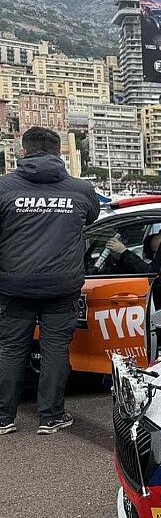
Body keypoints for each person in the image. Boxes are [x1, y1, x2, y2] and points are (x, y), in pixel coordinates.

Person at [0, 127, 100, 435]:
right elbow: (92, 219)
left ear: (23, 151)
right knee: (55, 349)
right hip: (61, 286)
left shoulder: (4, 187)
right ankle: (51, 416)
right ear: (59, 153)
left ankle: (3, 417)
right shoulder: (81, 189)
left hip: (14, 284)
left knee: (10, 349)